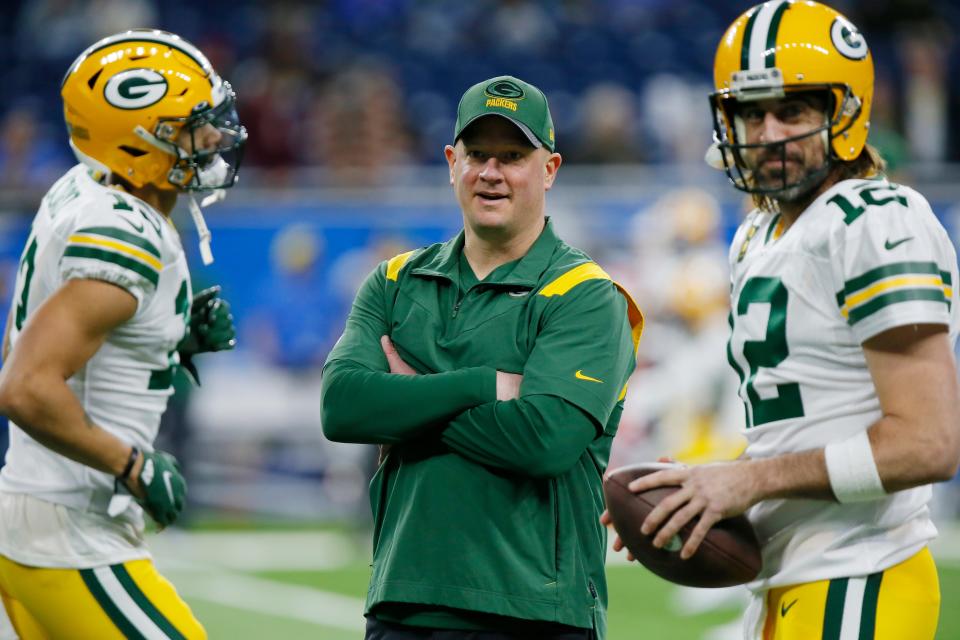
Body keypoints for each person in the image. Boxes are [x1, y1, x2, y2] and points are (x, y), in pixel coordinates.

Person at [604, 2, 960, 639]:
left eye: (791, 110)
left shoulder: (875, 218)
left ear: (842, 113)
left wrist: (749, 479)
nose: (767, 132)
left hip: (861, 577)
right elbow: (798, 431)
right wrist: (698, 489)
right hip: (786, 584)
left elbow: (929, 443)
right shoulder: (756, 236)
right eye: (750, 112)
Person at [321, 75, 643, 639]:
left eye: (514, 156)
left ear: (550, 169)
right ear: (451, 162)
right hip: (403, 602)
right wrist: (483, 385)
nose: (491, 173)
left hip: (535, 611)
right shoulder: (395, 280)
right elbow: (342, 407)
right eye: (477, 154)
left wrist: (408, 401)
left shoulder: (587, 293)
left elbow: (545, 440)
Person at [0, 29, 243, 639]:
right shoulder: (126, 232)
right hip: (70, 531)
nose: (214, 137)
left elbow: (45, 336)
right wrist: (131, 464)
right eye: (193, 125)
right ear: (138, 143)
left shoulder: (85, 191)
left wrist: (170, 333)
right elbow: (25, 385)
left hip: (43, 518)